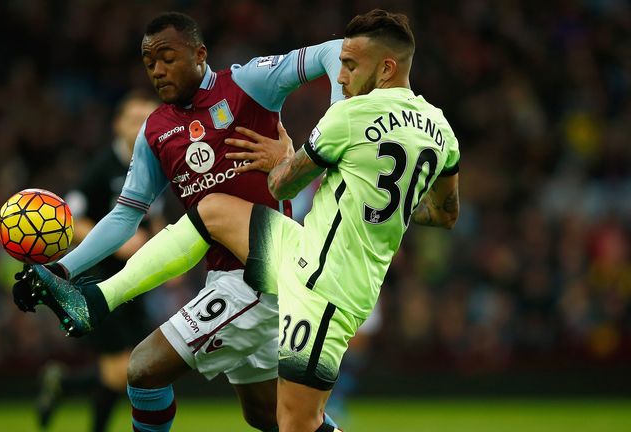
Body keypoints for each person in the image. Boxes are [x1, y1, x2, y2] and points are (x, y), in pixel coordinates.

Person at [26, 9, 461, 431]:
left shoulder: (251, 83)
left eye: (168, 57)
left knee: (142, 369)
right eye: (148, 62)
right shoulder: (154, 131)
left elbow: (285, 180)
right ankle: (85, 293)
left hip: (270, 279)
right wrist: (65, 268)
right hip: (285, 260)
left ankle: (95, 301)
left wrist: (320, 128)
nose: (157, 69)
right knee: (269, 415)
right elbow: (125, 216)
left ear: (200, 55)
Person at [36, 92, 160, 432]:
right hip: (99, 278)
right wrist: (117, 242)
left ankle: (63, 383)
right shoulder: (100, 169)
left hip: (137, 278)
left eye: (147, 120)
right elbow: (68, 219)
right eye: (134, 119)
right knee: (120, 371)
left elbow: (157, 219)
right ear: (117, 124)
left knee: (136, 367)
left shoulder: (155, 165)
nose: (140, 128)